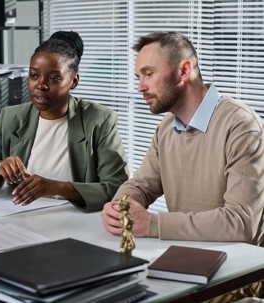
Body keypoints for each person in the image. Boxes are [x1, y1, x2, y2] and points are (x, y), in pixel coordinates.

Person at [101, 31, 264, 244]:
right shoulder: (166, 128)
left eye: (148, 74)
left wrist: (151, 224)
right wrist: (119, 208)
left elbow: (240, 223)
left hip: (238, 270)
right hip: (184, 257)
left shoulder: (241, 125)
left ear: (184, 71)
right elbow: (141, 185)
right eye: (139, 78)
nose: (140, 87)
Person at [0, 31, 129, 212]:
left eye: (54, 78)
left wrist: (59, 188)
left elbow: (117, 188)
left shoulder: (99, 120)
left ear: (74, 81)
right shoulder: (12, 118)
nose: (40, 85)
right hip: (21, 217)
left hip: (76, 221)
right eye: (34, 75)